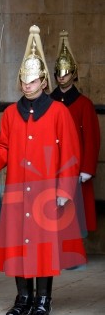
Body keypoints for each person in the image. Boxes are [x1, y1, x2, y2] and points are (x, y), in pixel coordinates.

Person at [0, 25, 86, 315]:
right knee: (18, 246)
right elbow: (3, 146)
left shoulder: (58, 113)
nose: (26, 85)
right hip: (17, 190)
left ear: (43, 81)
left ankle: (43, 299)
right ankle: (22, 298)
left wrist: (64, 190)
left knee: (43, 248)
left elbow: (70, 154)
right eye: (23, 81)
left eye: (32, 81)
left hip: (45, 193)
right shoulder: (12, 114)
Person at [51, 30, 100, 232]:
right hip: (52, 163)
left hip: (76, 165)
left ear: (74, 74)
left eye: (66, 73)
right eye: (59, 74)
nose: (62, 78)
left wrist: (87, 168)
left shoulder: (84, 105)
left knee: (74, 211)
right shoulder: (49, 102)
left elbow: (92, 139)